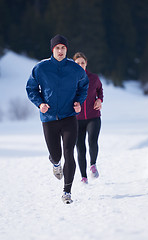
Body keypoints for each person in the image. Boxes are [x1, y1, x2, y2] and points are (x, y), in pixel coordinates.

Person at [26, 35, 89, 204]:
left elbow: (84, 87)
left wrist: (78, 102)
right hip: (49, 118)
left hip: (69, 117)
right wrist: (40, 104)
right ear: (52, 50)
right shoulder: (41, 68)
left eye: (63, 48)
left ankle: (67, 191)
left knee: (69, 153)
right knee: (57, 155)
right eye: (57, 48)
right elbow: (31, 88)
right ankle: (55, 163)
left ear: (66, 50)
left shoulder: (75, 69)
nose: (60, 51)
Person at [73, 52, 103, 184]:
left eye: (82, 63)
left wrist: (100, 100)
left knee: (92, 141)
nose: (80, 65)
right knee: (80, 147)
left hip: (93, 117)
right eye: (77, 63)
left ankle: (93, 165)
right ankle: (83, 177)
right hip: (76, 120)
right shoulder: (69, 79)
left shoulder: (94, 78)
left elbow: (100, 90)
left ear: (86, 64)